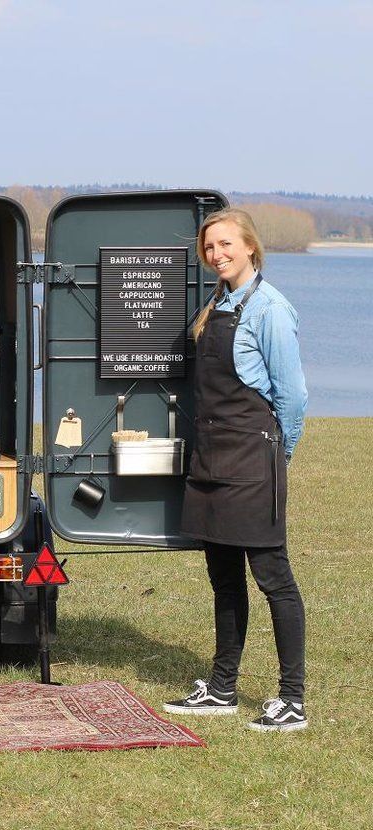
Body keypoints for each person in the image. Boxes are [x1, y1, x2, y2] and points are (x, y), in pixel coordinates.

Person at [164, 208, 308, 732]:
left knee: (273, 578)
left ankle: (292, 699)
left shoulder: (270, 309)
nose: (216, 254)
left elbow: (292, 397)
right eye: (209, 247)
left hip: (252, 460)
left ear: (250, 246)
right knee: (223, 579)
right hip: (211, 458)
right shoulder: (217, 304)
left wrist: (279, 454)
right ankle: (223, 689)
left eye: (225, 244)